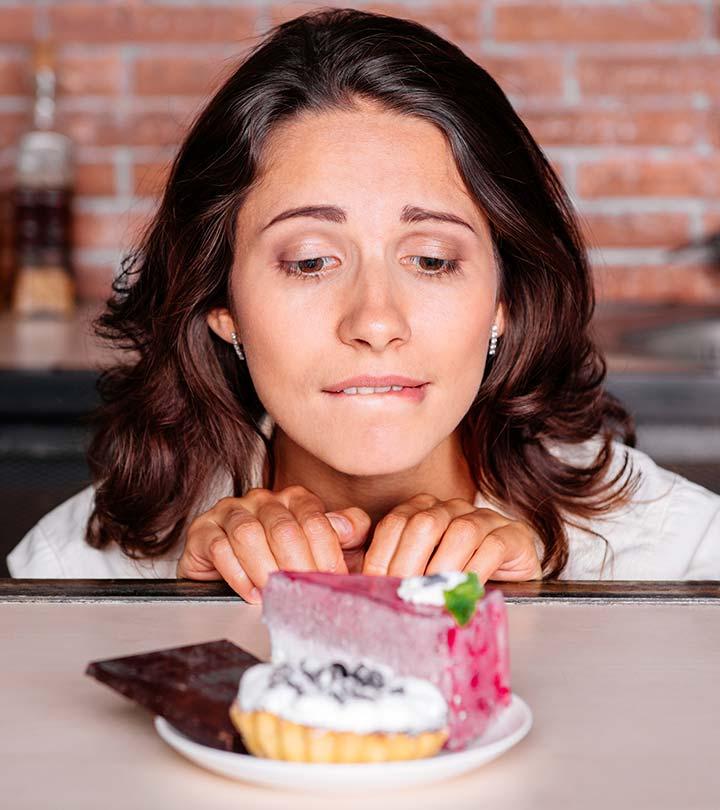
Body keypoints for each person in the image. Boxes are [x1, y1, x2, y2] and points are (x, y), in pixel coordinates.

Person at [7, 8, 719, 595]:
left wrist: (549, 622)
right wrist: (184, 617)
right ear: (221, 302)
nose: (376, 321)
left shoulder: (675, 553)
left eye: (432, 260)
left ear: (506, 295)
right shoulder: (80, 568)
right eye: (311, 261)